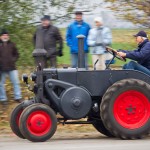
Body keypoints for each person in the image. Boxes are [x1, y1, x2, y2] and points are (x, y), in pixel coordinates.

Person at [0, 29, 22, 108]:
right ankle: (3, 99)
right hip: (1, 68)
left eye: (6, 35)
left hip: (12, 67)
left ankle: (18, 97)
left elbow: (17, 54)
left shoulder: (12, 44)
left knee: (16, 83)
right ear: (0, 36)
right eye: (3, 35)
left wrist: (13, 60)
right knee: (1, 84)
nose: (5, 36)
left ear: (8, 36)